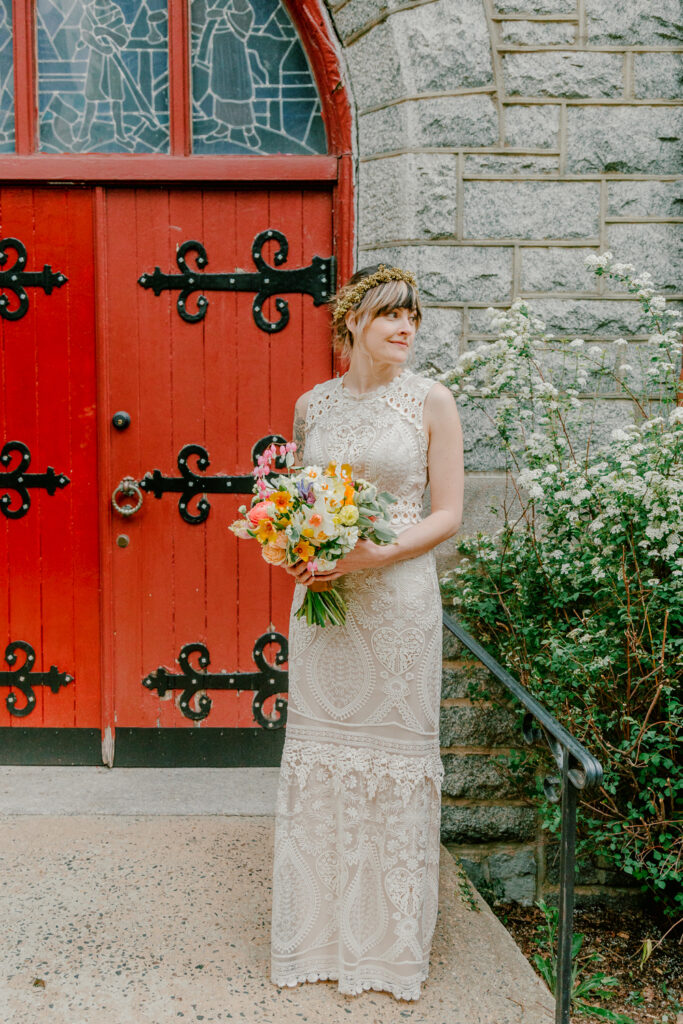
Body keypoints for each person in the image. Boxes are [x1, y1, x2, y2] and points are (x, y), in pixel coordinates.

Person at [269, 264, 464, 1001]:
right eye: (389, 314)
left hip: (397, 604)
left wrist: (377, 552)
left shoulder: (429, 401)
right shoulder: (311, 406)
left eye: (412, 315)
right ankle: (315, 936)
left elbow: (446, 513)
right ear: (352, 322)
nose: (405, 327)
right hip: (325, 610)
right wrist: (296, 548)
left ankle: (384, 948)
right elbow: (294, 498)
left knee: (390, 759)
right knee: (322, 753)